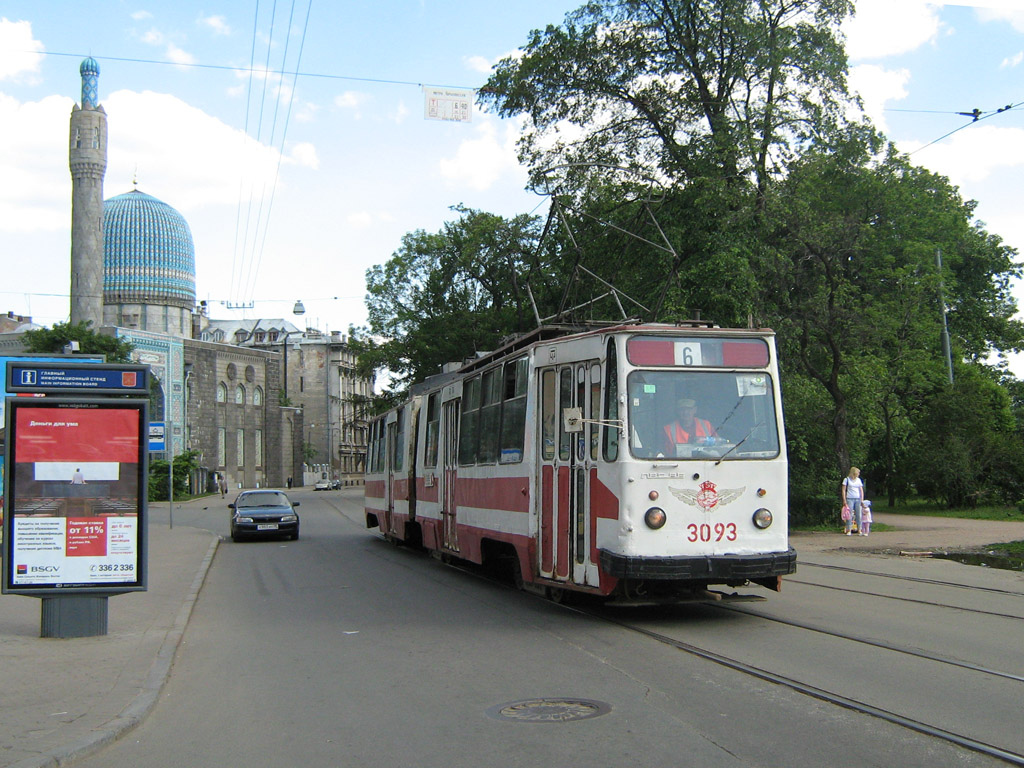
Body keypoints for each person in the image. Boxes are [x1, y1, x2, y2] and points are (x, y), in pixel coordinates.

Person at [842, 467, 865, 535]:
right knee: (849, 515)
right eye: (858, 473)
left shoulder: (858, 480)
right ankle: (848, 529)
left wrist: (862, 499)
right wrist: (844, 500)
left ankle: (859, 529)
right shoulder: (847, 479)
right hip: (850, 498)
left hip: (858, 498)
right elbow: (843, 490)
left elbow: (861, 490)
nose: (858, 474)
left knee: (859, 514)